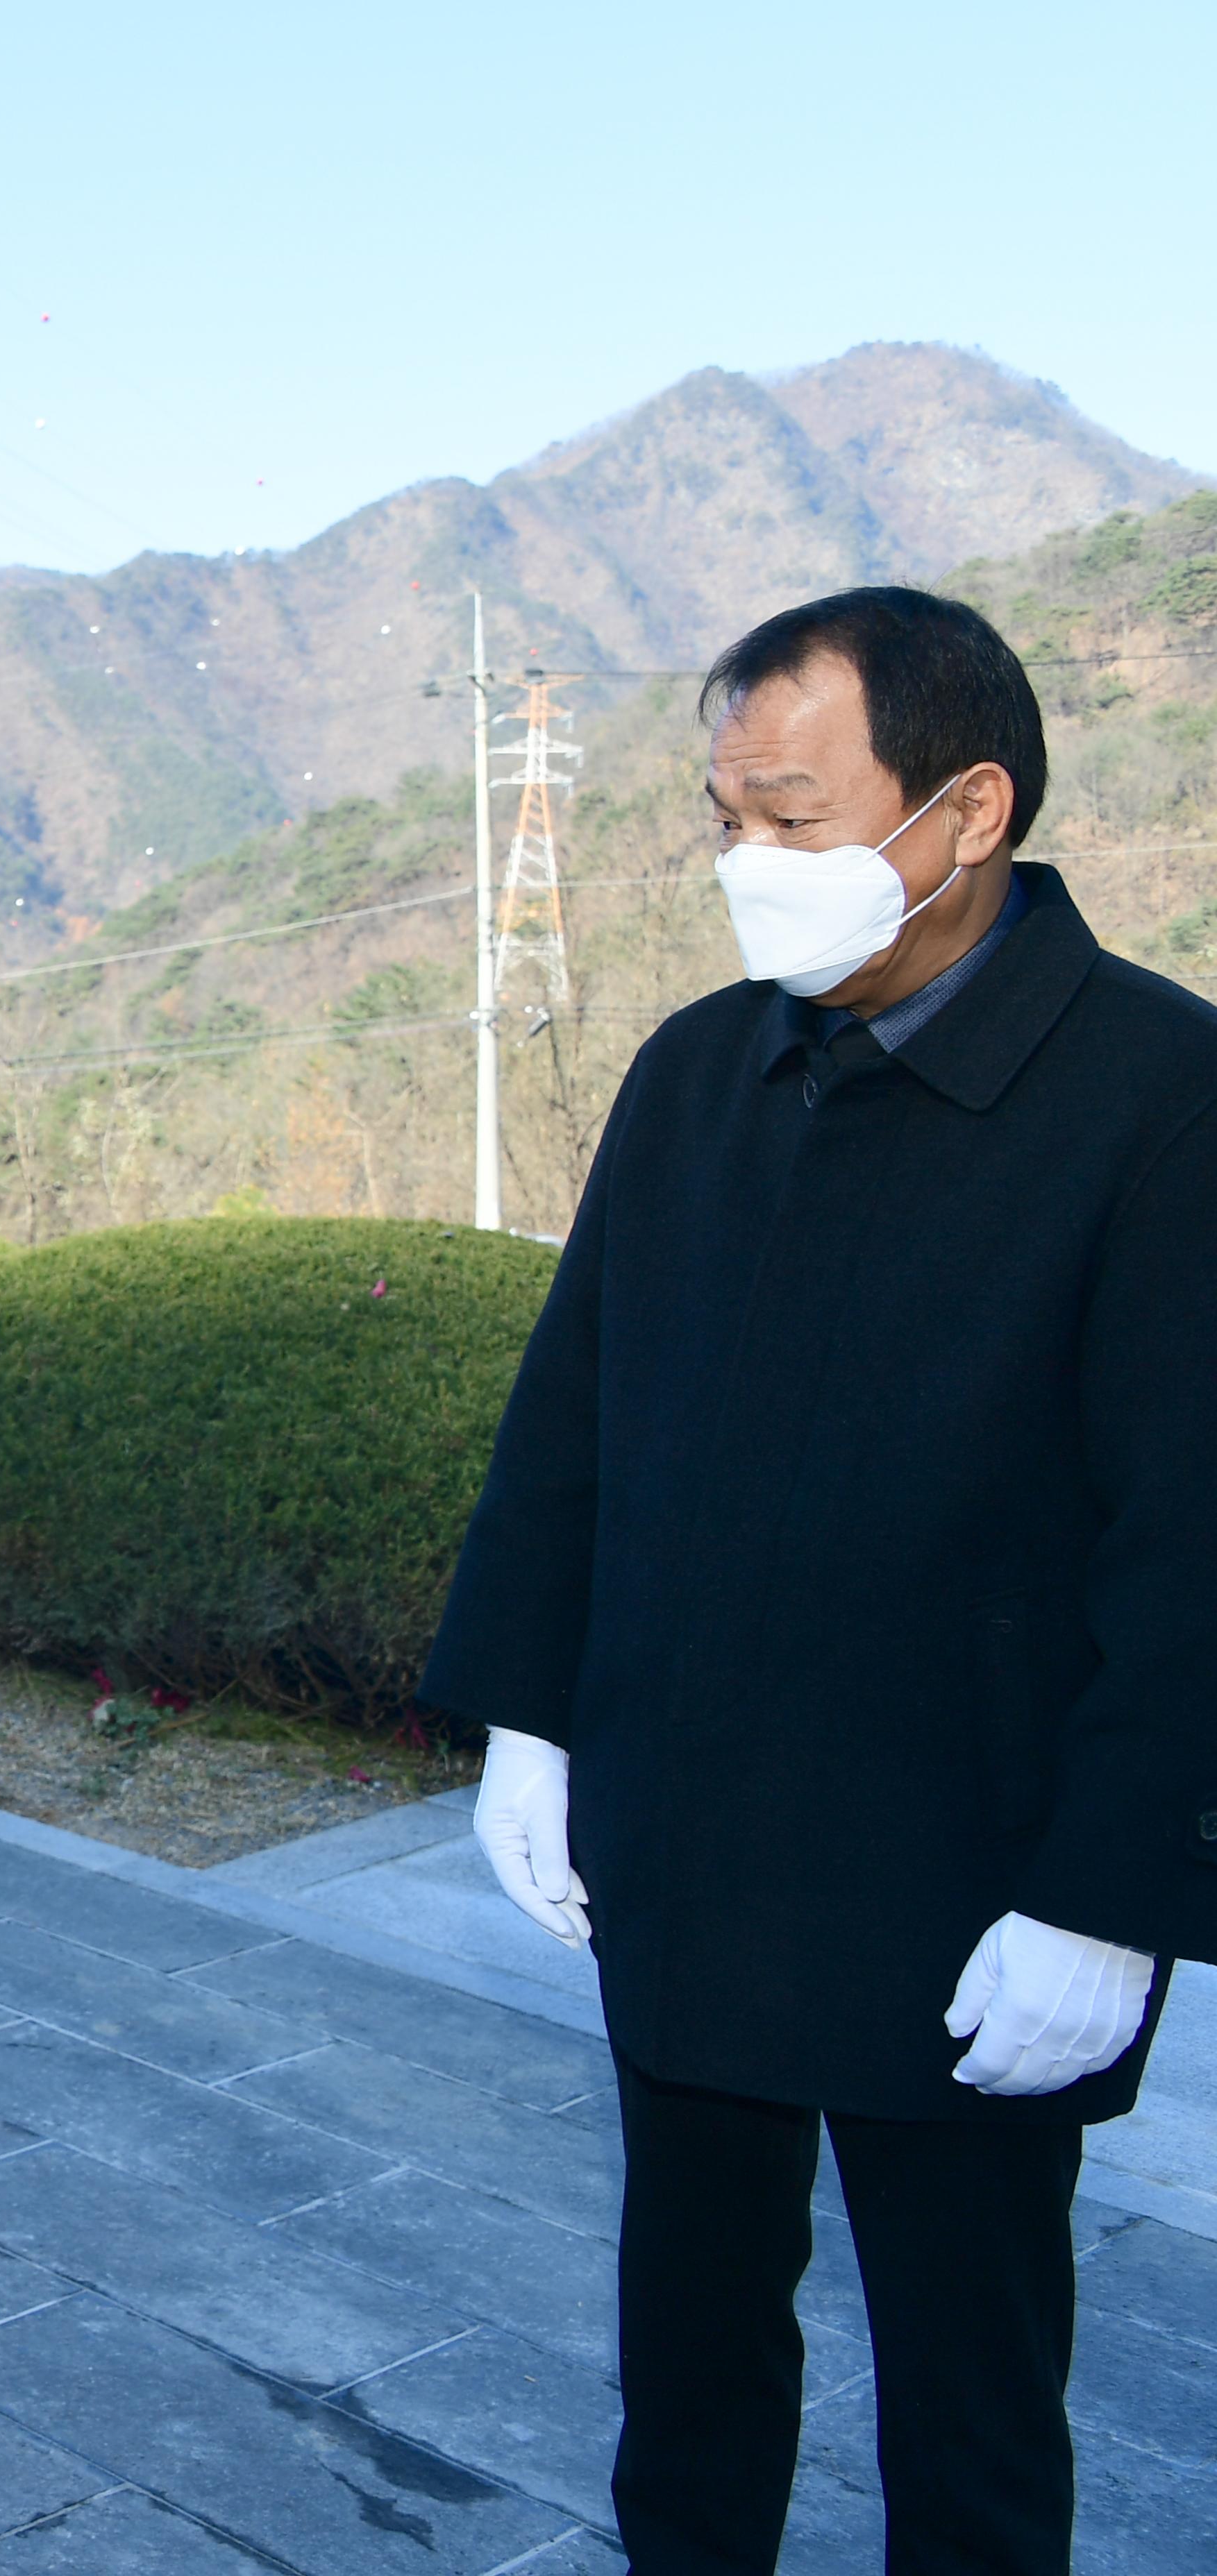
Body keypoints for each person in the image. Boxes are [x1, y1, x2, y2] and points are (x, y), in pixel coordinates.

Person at [426, 585, 1217, 2576]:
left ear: (967, 813)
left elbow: (1193, 1539)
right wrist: (531, 1710)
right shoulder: (705, 1070)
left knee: (970, 2399)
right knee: (687, 2367)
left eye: (794, 820)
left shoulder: (1158, 1097)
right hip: (685, 1848)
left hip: (969, 1884)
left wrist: (1108, 1901)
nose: (747, 871)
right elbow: (578, 1409)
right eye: (722, 822)